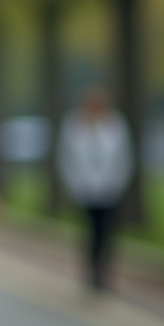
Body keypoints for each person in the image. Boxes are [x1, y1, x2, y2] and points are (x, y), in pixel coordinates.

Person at [56, 85, 133, 291]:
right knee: (91, 232)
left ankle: (104, 272)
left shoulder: (116, 125)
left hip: (110, 189)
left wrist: (118, 184)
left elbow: (124, 158)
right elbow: (66, 159)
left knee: (107, 232)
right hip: (85, 189)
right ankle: (92, 271)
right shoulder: (73, 125)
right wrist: (74, 186)